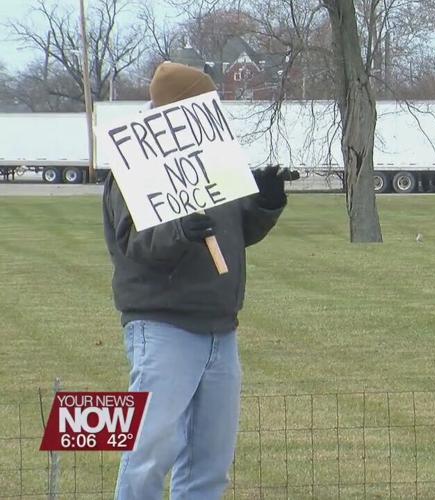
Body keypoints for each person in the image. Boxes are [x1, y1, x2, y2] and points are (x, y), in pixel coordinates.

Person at [104, 62, 288, 499]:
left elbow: (234, 234)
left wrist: (265, 202)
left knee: (210, 460)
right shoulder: (134, 170)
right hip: (163, 325)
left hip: (221, 329)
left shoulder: (215, 165)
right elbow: (133, 243)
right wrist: (179, 231)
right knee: (149, 452)